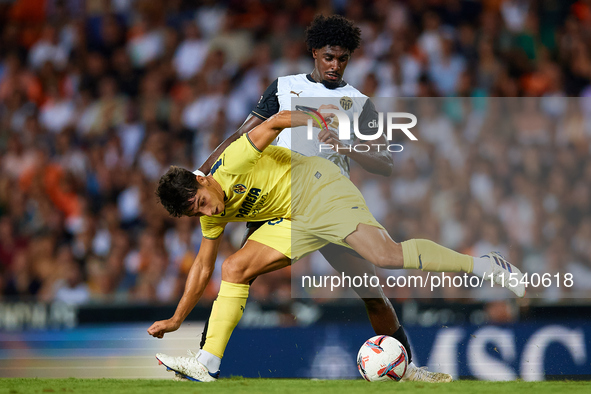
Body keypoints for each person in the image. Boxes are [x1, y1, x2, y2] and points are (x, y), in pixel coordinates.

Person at [164, 14, 447, 383]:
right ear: (314, 52)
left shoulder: (359, 103)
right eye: (329, 57)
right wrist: (202, 175)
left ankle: (409, 370)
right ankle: (203, 363)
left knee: (372, 293)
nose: (335, 65)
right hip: (277, 201)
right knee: (236, 272)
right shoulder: (284, 87)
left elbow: (385, 163)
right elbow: (241, 135)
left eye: (342, 59)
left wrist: (347, 146)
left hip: (329, 205)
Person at [148, 109, 526, 382]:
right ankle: (207, 363)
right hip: (292, 220)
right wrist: (178, 318)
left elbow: (277, 120)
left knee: (384, 257)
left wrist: (319, 124)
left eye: (202, 201)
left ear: (202, 180)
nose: (208, 210)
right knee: (233, 268)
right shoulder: (210, 214)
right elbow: (202, 267)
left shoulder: (233, 161)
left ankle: (485, 266)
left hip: (319, 190)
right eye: (197, 212)